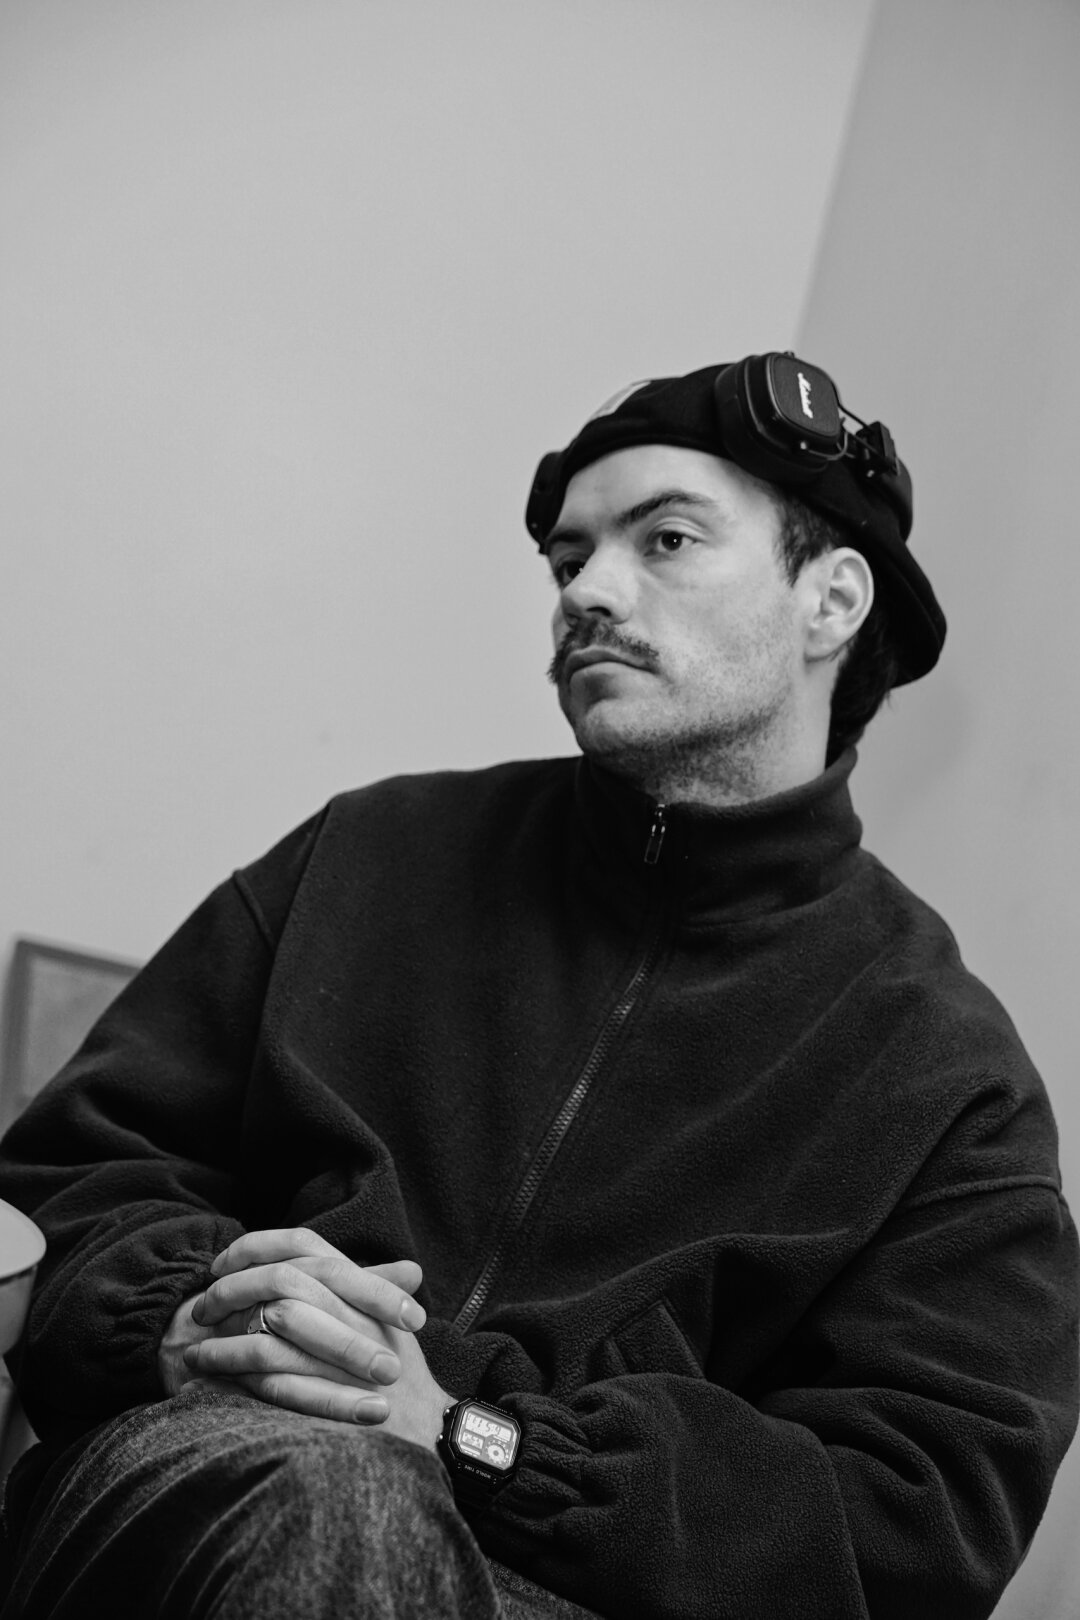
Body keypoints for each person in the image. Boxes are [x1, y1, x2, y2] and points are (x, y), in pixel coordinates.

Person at [0, 353, 1076, 1620]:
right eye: (570, 561)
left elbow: (922, 1514)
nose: (589, 594)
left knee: (364, 1510)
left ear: (831, 598)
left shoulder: (944, 1071)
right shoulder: (368, 854)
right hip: (205, 1469)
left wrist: (477, 1438)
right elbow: (64, 1182)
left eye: (665, 540)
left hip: (581, 1590)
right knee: (339, 1503)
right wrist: (189, 1316)